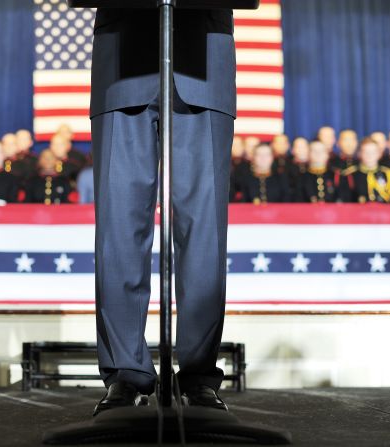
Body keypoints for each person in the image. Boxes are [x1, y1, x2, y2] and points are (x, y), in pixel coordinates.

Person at [89, 7, 235, 415]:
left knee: (203, 232)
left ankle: (197, 374)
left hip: (203, 55)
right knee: (119, 230)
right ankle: (125, 373)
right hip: (122, 58)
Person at [341, 138, 390, 203]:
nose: (370, 155)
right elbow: (346, 202)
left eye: (373, 152)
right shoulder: (350, 175)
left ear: (379, 154)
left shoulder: (389, 174)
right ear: (360, 154)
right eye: (366, 152)